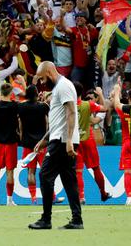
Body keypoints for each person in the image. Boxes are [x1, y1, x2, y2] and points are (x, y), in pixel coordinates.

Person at [28, 62, 82, 230]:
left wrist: (68, 142)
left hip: (62, 141)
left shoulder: (63, 86)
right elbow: (59, 119)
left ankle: (46, 219)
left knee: (45, 175)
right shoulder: (60, 87)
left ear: (50, 72)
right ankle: (77, 219)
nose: (43, 83)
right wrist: (44, 140)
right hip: (61, 139)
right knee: (69, 179)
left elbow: (71, 113)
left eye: (43, 78)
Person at [74, 83, 111, 204]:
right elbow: (105, 108)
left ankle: (81, 197)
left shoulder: (68, 105)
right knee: (96, 168)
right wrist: (100, 94)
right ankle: (103, 193)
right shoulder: (88, 104)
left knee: (78, 171)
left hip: (74, 141)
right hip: (88, 139)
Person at [18, 85, 49, 204]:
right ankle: (52, 196)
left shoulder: (21, 107)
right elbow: (48, 122)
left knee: (31, 172)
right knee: (45, 171)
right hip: (41, 143)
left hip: (27, 143)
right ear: (37, 94)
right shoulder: (43, 107)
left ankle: (33, 198)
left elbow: (19, 122)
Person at [116, 87, 131, 205]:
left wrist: (117, 91)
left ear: (128, 98)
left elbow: (116, 103)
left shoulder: (124, 110)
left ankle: (129, 197)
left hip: (126, 143)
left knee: (127, 172)